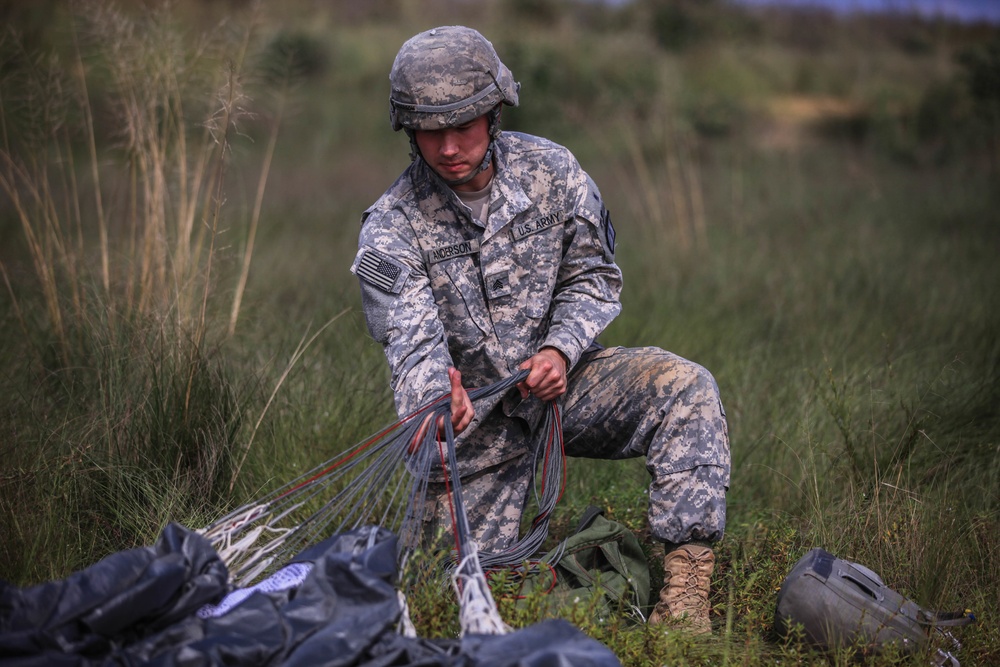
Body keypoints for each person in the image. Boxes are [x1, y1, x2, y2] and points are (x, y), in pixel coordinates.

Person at [351, 25, 730, 634]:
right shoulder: (391, 229)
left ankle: (685, 597)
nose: (448, 146)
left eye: (464, 125)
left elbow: (594, 277)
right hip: (470, 425)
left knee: (685, 388)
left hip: (564, 389)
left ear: (494, 112)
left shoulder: (553, 172)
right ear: (407, 128)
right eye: (430, 130)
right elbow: (411, 339)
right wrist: (431, 402)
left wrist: (560, 347)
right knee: (458, 605)